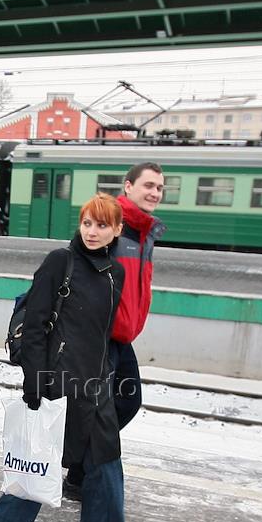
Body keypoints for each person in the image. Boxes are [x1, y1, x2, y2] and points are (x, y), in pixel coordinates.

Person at [0, 194, 127, 522]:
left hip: (96, 384)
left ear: (117, 231)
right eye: (88, 223)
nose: (93, 232)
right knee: (41, 458)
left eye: (102, 226)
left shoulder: (116, 273)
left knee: (106, 460)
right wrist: (35, 380)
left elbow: (104, 332)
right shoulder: (60, 262)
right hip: (58, 381)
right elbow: (35, 327)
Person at [64, 162, 164, 500]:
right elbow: (75, 270)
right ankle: (80, 474)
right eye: (148, 185)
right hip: (100, 336)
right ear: (128, 187)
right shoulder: (109, 224)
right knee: (105, 408)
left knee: (126, 402)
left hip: (122, 336)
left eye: (160, 188)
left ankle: (77, 469)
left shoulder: (143, 233)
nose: (154, 193)